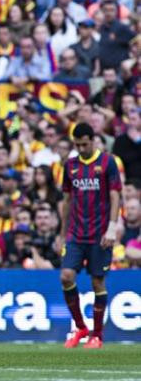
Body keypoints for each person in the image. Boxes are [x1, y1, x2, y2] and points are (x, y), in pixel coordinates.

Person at [60, 123, 122, 349]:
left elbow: (115, 196)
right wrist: (62, 233)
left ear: (93, 140)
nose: (81, 148)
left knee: (97, 282)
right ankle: (80, 327)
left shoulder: (107, 162)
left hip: (100, 233)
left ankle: (97, 335)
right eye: (77, 145)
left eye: (84, 144)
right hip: (76, 233)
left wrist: (112, 227)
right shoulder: (70, 165)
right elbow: (66, 201)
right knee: (66, 276)